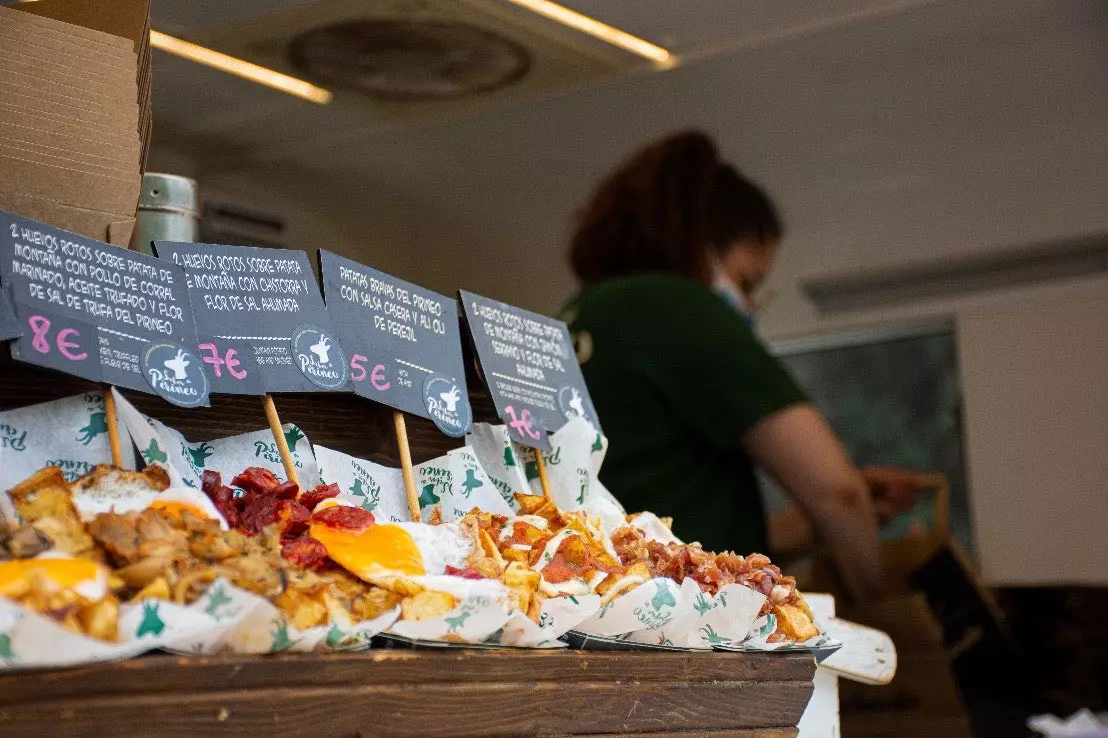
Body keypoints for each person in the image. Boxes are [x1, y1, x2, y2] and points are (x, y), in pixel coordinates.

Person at [563, 130, 908, 600]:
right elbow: (837, 492)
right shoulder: (677, 305)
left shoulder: (578, 315)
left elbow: (666, 516)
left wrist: (805, 526)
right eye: (747, 281)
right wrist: (882, 605)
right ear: (702, 247)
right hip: (690, 624)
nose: (746, 305)